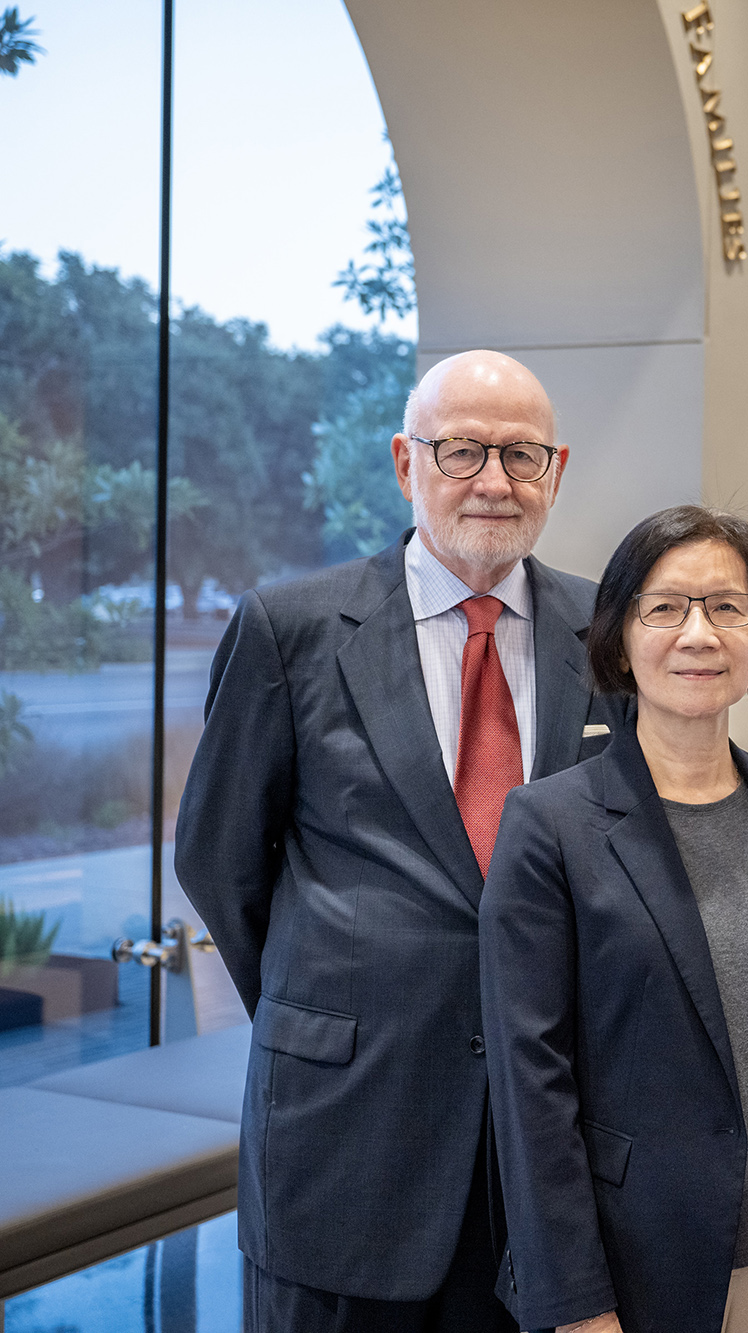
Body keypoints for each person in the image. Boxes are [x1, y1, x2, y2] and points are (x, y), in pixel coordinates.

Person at [177, 350, 627, 1331]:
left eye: (520, 455)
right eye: (462, 450)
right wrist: (331, 995)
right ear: (403, 461)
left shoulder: (606, 631)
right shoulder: (289, 629)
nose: (494, 482)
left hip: (545, 1140)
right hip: (343, 1133)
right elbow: (218, 857)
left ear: (557, 470)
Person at [479, 506, 748, 1333]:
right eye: (664, 607)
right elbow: (532, 1090)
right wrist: (575, 1299)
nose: (698, 634)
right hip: (632, 1271)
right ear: (619, 636)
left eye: (726, 607)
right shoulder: (549, 826)